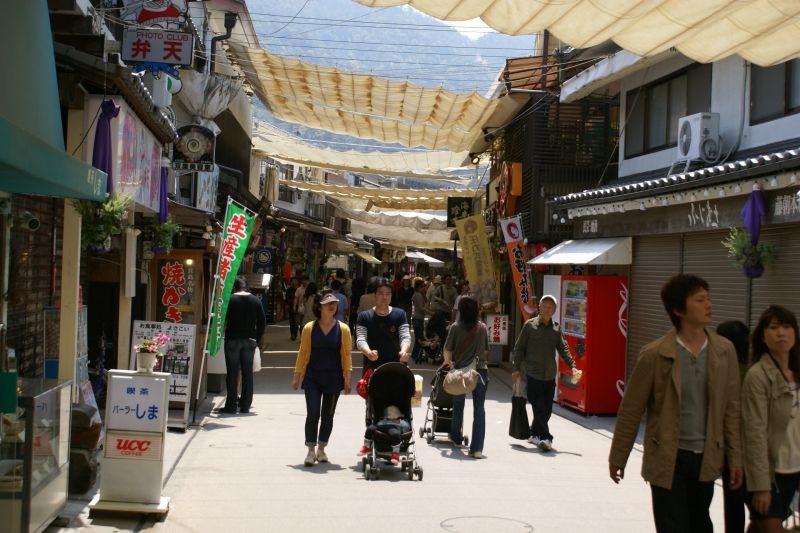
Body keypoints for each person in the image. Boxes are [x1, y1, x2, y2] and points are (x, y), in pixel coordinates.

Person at [608, 274, 742, 533]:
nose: (708, 305)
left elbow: (731, 409)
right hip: (668, 457)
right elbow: (631, 410)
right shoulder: (655, 354)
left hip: (706, 457)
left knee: (700, 523)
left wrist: (736, 458)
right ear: (679, 309)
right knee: (672, 526)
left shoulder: (724, 351)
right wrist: (618, 457)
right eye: (700, 300)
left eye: (708, 298)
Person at [742, 305, 800, 533]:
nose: (781, 333)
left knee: (759, 526)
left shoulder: (797, 372)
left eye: (787, 327)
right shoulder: (757, 376)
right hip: (769, 473)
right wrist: (760, 486)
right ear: (763, 337)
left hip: (795, 467)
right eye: (773, 328)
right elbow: (754, 433)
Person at [292, 289, 353, 466]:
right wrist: (297, 376)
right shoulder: (309, 328)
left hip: (333, 379)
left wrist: (348, 379)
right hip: (312, 378)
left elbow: (347, 355)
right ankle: (310, 450)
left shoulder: (343, 329)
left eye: (334, 303)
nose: (332, 306)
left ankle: (322, 448)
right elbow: (303, 353)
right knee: (313, 414)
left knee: (328, 416)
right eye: (328, 304)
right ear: (320, 307)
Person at [511, 294, 578, 451]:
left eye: (550, 307)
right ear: (539, 308)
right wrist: (516, 369)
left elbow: (564, 348)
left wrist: (572, 366)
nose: (547, 309)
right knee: (539, 406)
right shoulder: (529, 326)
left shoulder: (556, 329)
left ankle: (534, 433)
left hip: (549, 375)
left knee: (546, 409)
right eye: (545, 306)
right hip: (533, 374)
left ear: (554, 310)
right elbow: (519, 348)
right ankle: (546, 438)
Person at [355, 277, 412, 455]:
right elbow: (360, 339)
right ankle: (373, 439)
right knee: (373, 406)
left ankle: (398, 441)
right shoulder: (364, 316)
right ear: (374, 295)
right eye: (380, 293)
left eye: (387, 294)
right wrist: (367, 351)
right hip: (373, 371)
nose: (384, 297)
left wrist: (404, 350)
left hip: (397, 370)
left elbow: (405, 336)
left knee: (400, 403)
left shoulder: (399, 314)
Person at [441, 296, 489, 459]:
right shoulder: (482, 328)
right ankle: (477, 449)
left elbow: (447, 350)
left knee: (458, 404)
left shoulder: (455, 327)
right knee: (479, 409)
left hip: (460, 372)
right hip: (479, 371)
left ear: (460, 311)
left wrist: (448, 363)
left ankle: (456, 438)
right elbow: (486, 351)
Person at [716, 320, 750, 533]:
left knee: (734, 503)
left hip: (729, 447)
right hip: (752, 449)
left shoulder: (721, 370)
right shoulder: (754, 370)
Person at [222, 276, 266, 414]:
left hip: (232, 340)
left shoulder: (230, 299)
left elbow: (222, 320)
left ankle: (231, 406)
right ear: (246, 287)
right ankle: (245, 405)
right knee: (248, 373)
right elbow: (262, 323)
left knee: (232, 372)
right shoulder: (255, 300)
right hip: (250, 341)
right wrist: (257, 339)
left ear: (234, 287)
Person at [411, 278, 433, 363]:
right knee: (420, 339)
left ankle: (415, 354)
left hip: (418, 319)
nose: (424, 288)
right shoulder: (417, 295)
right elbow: (421, 308)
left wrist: (424, 294)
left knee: (419, 338)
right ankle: (416, 355)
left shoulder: (420, 294)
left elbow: (427, 302)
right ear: (417, 287)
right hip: (417, 319)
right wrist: (431, 313)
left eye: (424, 286)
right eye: (422, 286)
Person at [285, 277, 299, 341]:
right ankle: (292, 334)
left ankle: (294, 335)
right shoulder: (288, 290)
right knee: (291, 322)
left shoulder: (299, 290)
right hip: (290, 308)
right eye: (292, 281)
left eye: (295, 281)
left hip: (297, 308)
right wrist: (287, 305)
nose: (294, 282)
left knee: (296, 322)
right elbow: (286, 299)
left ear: (297, 282)